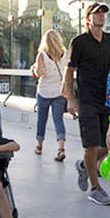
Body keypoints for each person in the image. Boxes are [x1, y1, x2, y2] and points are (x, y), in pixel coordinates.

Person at [63, 2, 110, 206]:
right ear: (88, 19)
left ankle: (83, 166)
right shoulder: (78, 42)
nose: (101, 16)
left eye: (103, 13)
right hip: (87, 100)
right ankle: (96, 188)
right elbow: (69, 72)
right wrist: (70, 99)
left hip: (108, 101)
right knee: (92, 145)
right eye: (97, 13)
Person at [33, 28, 68, 161]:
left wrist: (34, 68)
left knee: (42, 119)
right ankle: (61, 149)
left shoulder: (42, 55)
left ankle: (39, 146)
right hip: (59, 92)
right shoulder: (66, 54)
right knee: (58, 120)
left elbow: (40, 73)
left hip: (44, 92)